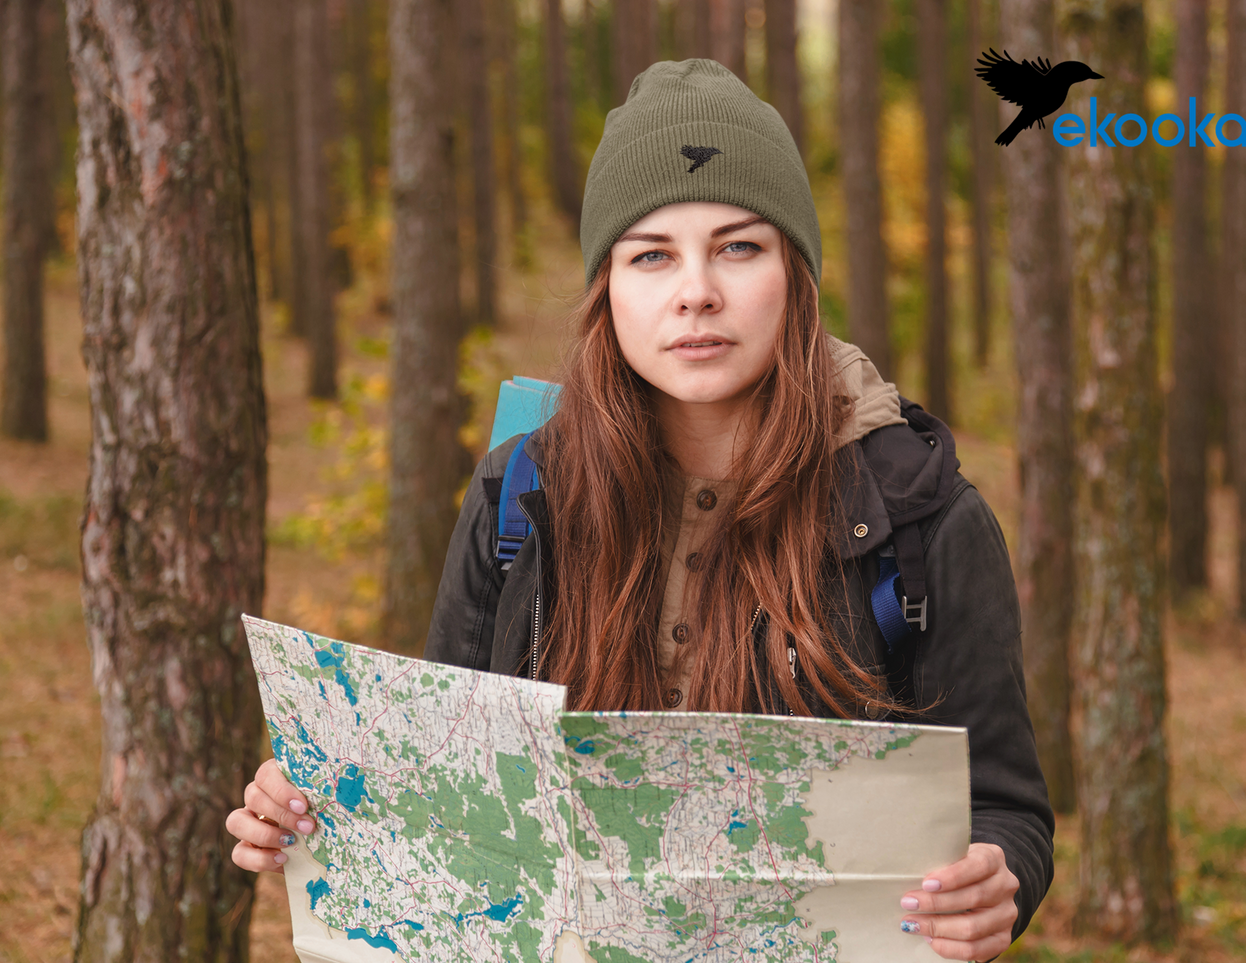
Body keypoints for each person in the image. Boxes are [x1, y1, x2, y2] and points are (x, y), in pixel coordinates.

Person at [228, 59, 1053, 961]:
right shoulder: (519, 494)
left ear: (795, 275)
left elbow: (1006, 809)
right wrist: (313, 810)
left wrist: (995, 878)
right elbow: (447, 791)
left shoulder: (919, 516)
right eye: (651, 254)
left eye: (739, 246)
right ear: (607, 289)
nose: (695, 289)